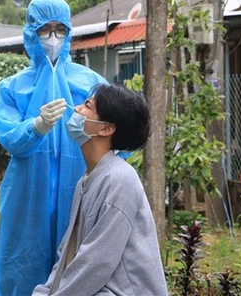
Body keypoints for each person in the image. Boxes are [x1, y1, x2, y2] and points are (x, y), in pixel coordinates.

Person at [0, 0, 108, 295]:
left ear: (69, 33)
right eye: (44, 29)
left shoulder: (91, 83)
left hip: (79, 189)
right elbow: (10, 139)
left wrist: (94, 140)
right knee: (21, 266)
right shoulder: (12, 88)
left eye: (60, 30)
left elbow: (121, 134)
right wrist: (36, 126)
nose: (52, 38)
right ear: (30, 32)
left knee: (78, 265)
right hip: (27, 196)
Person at [32, 84, 168, 296]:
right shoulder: (87, 180)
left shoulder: (120, 180)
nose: (76, 109)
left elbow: (96, 262)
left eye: (87, 106)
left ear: (106, 129)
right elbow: (69, 252)